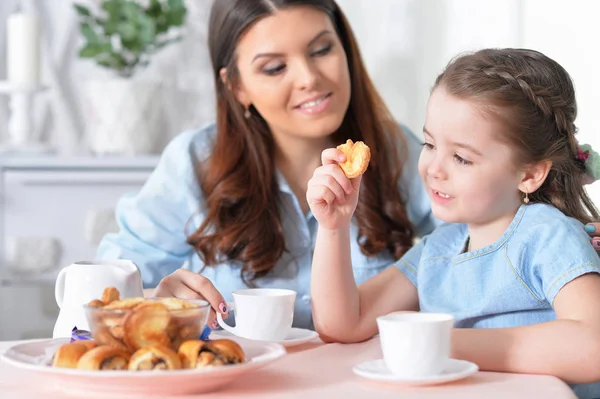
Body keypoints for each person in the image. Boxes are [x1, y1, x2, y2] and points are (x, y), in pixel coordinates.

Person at [96, 0, 437, 330]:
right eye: (274, 67)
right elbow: (104, 288)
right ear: (237, 86)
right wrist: (156, 298)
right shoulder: (195, 162)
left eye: (321, 50)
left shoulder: (398, 152)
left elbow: (476, 240)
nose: (308, 78)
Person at [308, 48, 600, 398]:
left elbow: (592, 345)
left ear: (531, 173)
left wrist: (446, 343)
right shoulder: (440, 247)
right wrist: (333, 227)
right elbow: (343, 324)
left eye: (461, 157)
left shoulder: (546, 234)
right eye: (429, 143)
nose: (434, 169)